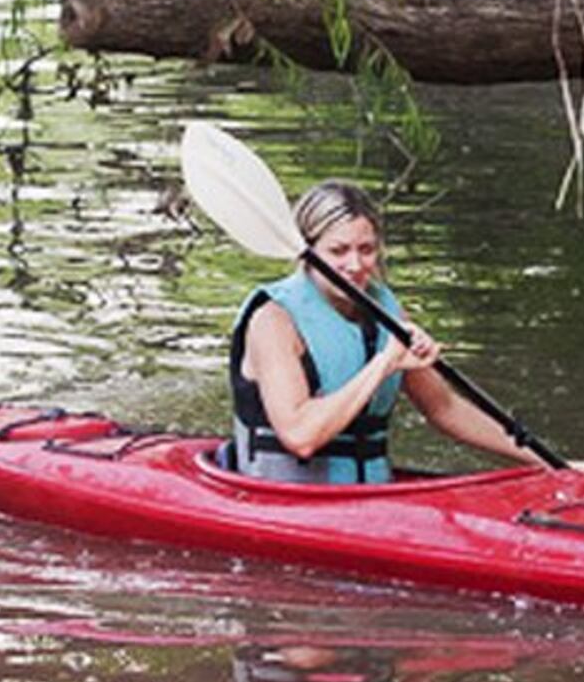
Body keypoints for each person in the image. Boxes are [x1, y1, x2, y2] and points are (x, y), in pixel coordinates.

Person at [226, 180, 545, 481]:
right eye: (338, 251)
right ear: (307, 254)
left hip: (372, 495)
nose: (355, 265)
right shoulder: (273, 320)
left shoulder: (385, 311)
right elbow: (300, 437)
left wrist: (547, 462)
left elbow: (444, 408)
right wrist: (385, 363)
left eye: (366, 250)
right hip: (284, 500)